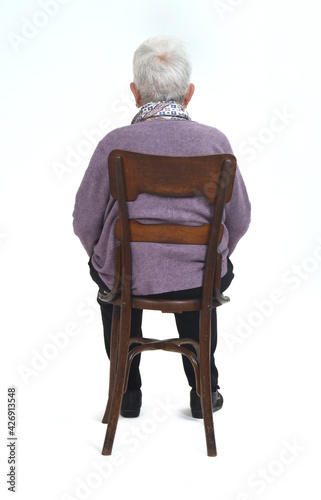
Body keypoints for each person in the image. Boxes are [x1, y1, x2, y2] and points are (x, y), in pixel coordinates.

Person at [73, 36, 251, 419]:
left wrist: (103, 256)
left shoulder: (115, 144)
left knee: (111, 276)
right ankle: (205, 390)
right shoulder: (214, 143)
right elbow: (240, 220)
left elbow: (84, 220)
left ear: (135, 93)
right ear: (189, 94)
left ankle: (126, 392)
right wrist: (210, 255)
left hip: (126, 276)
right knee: (202, 278)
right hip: (196, 277)